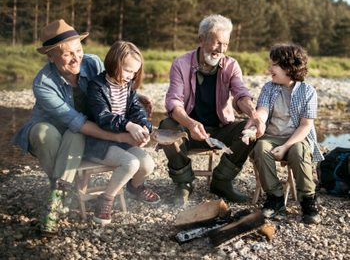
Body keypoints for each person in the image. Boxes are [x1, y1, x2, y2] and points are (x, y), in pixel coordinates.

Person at [11, 19, 149, 235]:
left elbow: (114, 88)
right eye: (67, 54)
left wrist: (138, 107)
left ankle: (60, 197)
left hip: (88, 129)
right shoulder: (43, 83)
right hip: (55, 130)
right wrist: (122, 137)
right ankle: (59, 195)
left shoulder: (93, 63)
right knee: (45, 132)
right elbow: (77, 123)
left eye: (78, 49)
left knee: (80, 137)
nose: (76, 58)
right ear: (51, 57)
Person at [158, 14, 265, 206]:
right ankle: (184, 182)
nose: (221, 50)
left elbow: (241, 94)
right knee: (166, 126)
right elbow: (173, 104)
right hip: (189, 131)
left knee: (249, 129)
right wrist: (190, 124)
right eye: (217, 43)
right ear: (202, 39)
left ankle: (222, 181)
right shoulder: (180, 64)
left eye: (226, 44)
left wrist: (254, 116)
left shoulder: (231, 65)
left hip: (221, 129)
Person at [84, 41, 160, 225]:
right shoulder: (97, 86)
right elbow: (103, 117)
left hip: (121, 141)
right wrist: (128, 126)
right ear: (114, 63)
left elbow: (137, 109)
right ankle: (106, 199)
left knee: (148, 164)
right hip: (99, 142)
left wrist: (143, 126)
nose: (130, 76)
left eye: (134, 72)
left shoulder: (127, 86)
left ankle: (134, 188)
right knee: (130, 163)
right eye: (127, 70)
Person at [249, 43, 323, 224]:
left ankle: (308, 200)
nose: (269, 68)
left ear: (288, 67)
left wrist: (285, 147)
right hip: (272, 136)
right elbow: (263, 111)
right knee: (260, 147)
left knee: (298, 151)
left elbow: (305, 126)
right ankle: (275, 198)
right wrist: (253, 123)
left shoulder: (308, 92)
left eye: (274, 64)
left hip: (298, 137)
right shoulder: (269, 88)